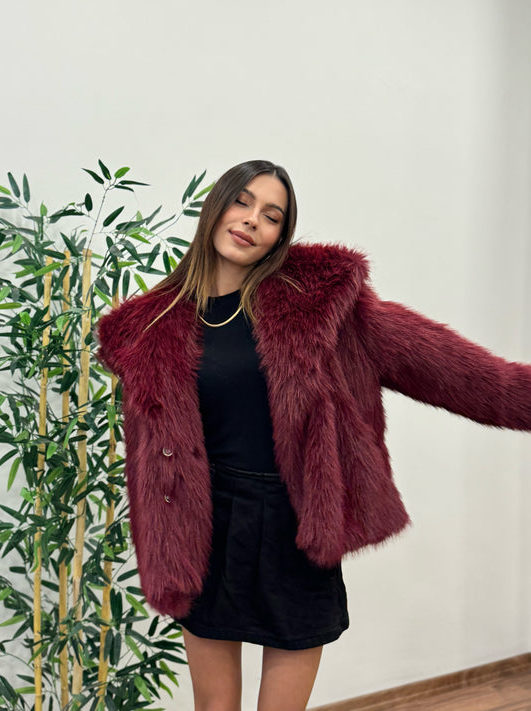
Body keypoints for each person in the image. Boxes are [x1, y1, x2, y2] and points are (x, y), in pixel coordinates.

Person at [96, 159, 531, 711]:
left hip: (294, 520)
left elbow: (465, 375)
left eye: (271, 215)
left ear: (281, 235)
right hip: (203, 527)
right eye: (242, 202)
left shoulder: (323, 305)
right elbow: (149, 455)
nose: (252, 220)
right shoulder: (150, 326)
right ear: (215, 207)